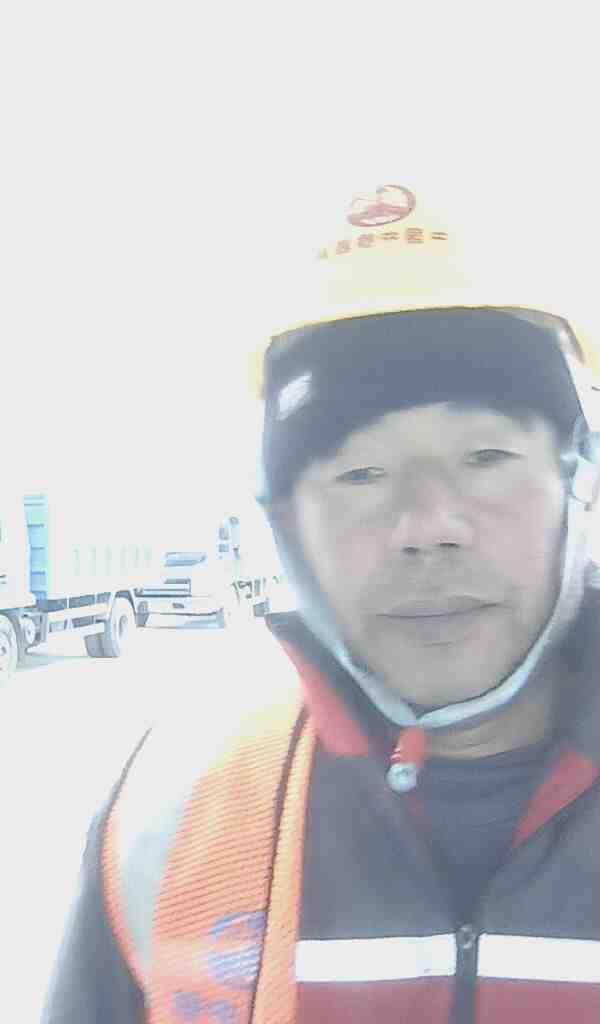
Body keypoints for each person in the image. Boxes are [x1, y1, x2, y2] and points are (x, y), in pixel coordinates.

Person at [43, 182, 600, 1023]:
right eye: (361, 474)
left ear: (576, 483)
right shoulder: (176, 810)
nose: (428, 527)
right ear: (286, 524)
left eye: (485, 457)